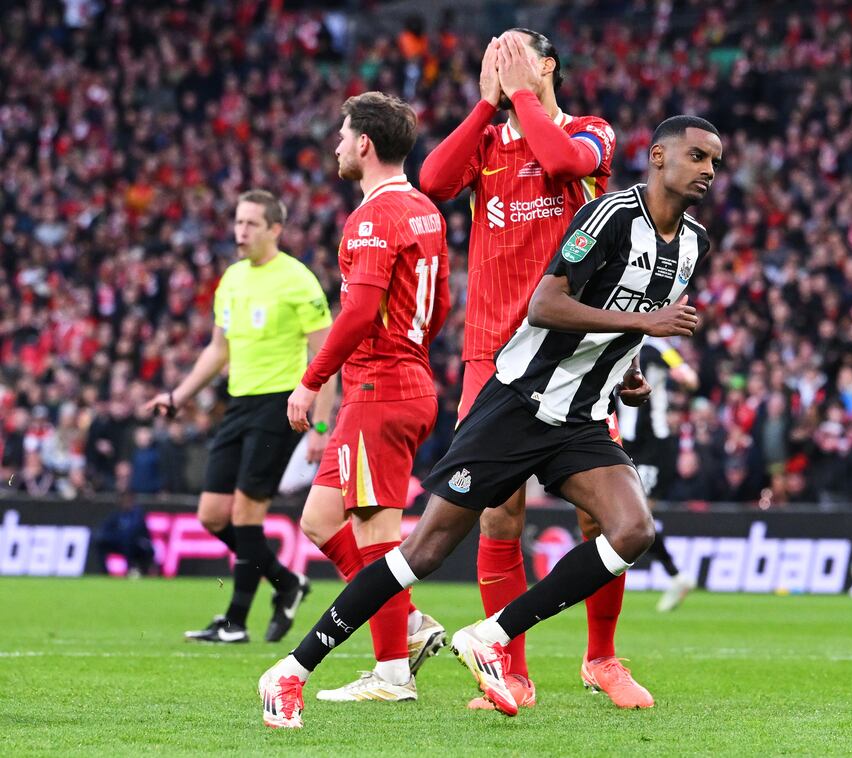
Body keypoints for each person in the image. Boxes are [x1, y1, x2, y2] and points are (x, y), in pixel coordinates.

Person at [257, 115, 721, 727]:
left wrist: (626, 367)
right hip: (518, 403)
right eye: (697, 156)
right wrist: (644, 326)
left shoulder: (693, 244)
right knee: (423, 550)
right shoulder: (608, 215)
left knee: (633, 530)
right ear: (658, 157)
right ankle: (290, 671)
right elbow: (546, 304)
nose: (708, 171)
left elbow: (624, 308)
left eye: (715, 162)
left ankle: (492, 636)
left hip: (580, 416)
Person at [418, 28, 636, 710]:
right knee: (498, 515)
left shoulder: (591, 132)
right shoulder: (486, 142)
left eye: (511, 54)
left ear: (547, 66)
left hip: (572, 357)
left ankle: (602, 658)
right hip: (490, 355)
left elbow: (564, 163)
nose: (499, 64)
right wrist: (489, 103)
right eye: (491, 56)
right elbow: (433, 182)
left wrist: (521, 94)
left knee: (600, 518)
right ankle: (510, 672)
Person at [284, 92, 451, 702]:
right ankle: (406, 622)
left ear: (364, 144)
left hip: (381, 388)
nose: (336, 145)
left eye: (342, 134)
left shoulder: (374, 217)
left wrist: (310, 380)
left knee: (376, 531)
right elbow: (441, 303)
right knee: (319, 519)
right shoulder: (425, 210)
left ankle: (391, 674)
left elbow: (357, 312)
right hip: (399, 381)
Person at [144, 190, 336, 643]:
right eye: (237, 222)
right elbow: (218, 349)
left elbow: (327, 359)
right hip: (239, 403)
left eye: (251, 223)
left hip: (279, 405)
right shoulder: (231, 279)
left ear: (275, 229)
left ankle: (235, 622)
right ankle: (287, 583)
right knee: (212, 515)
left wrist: (321, 427)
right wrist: (177, 396)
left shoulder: (298, 280)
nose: (240, 232)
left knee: (248, 512)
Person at [616, 338, 699, 612]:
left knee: (637, 516)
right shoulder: (614, 338)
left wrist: (683, 376)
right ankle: (677, 575)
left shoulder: (657, 347)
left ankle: (676, 574)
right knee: (623, 516)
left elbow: (690, 378)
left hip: (654, 444)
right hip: (624, 441)